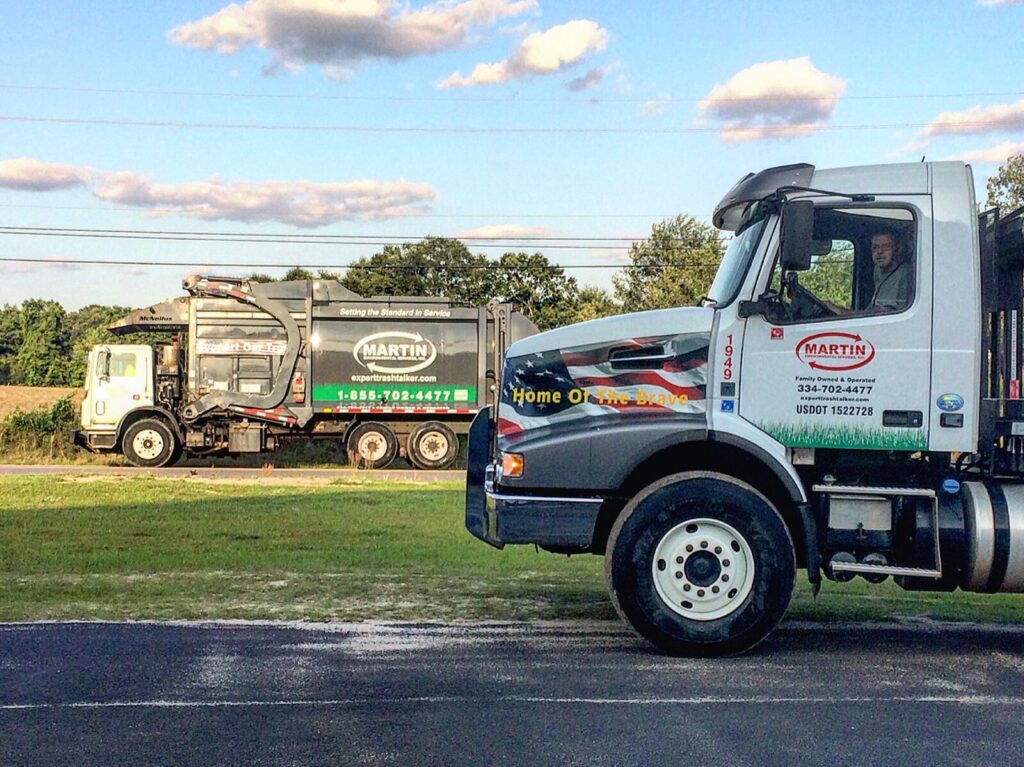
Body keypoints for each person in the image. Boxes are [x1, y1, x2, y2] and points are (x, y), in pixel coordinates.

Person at [867, 231, 911, 311]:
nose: (879, 252)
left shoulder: (905, 274)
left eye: (886, 246)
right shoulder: (878, 271)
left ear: (898, 249)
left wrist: (843, 312)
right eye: (875, 247)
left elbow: (884, 314)